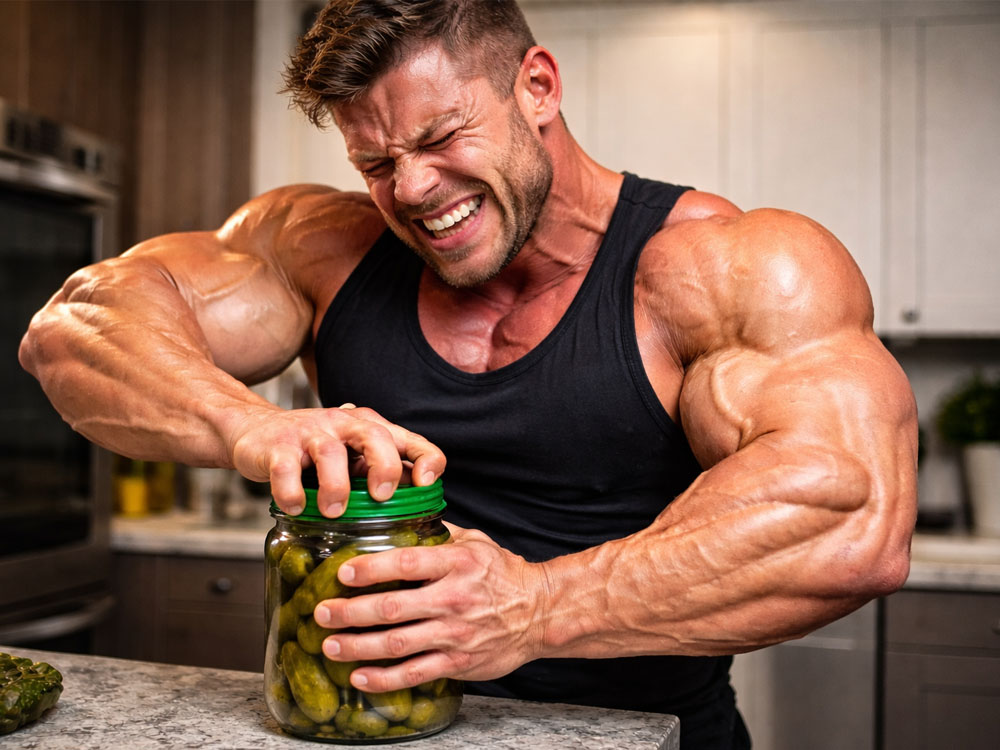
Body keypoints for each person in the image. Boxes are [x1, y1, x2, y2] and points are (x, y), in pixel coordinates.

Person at [19, 1, 917, 747]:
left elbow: (849, 517)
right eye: (375, 162)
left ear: (537, 87)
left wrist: (532, 607)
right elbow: (73, 328)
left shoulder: (723, 265)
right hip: (373, 730)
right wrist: (248, 424)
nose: (410, 190)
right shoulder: (326, 248)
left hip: (639, 734)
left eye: (441, 136)